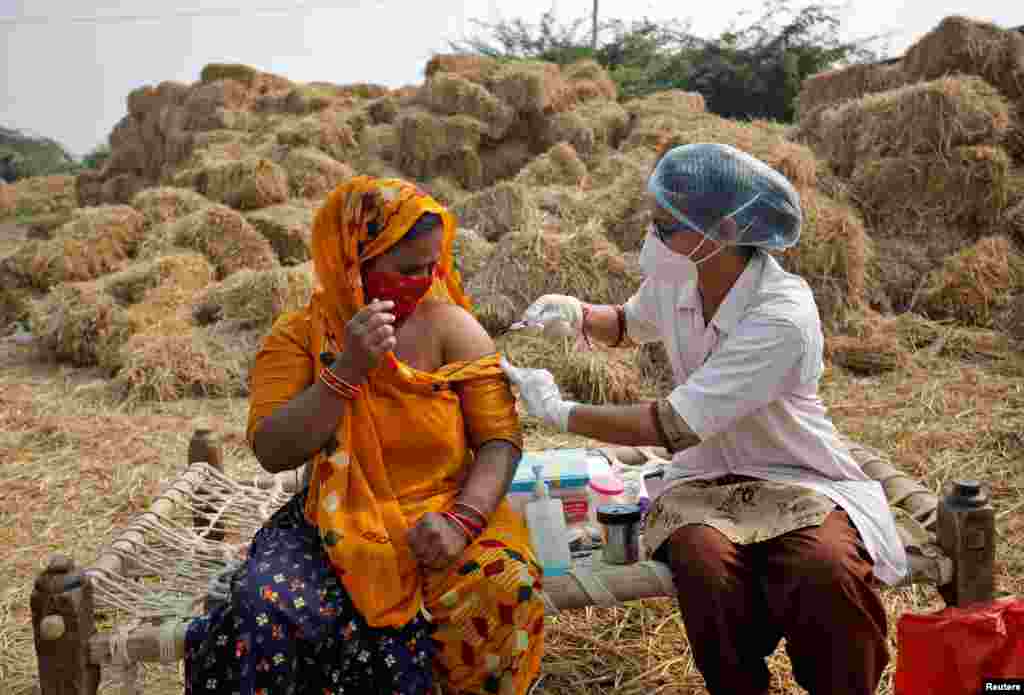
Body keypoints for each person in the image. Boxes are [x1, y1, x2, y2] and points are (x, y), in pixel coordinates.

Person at [500, 143, 907, 695]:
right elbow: (627, 323)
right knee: (702, 564)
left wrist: (559, 412)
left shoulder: (781, 315)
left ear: (720, 233)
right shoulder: (680, 277)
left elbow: (674, 425)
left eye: (666, 227)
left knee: (824, 569)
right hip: (703, 477)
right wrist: (577, 315)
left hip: (793, 473)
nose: (652, 238)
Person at [185, 176, 545, 695]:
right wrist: (346, 370)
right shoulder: (298, 337)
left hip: (444, 509)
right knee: (265, 608)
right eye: (406, 270)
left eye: (432, 266)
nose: (423, 281)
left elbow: (500, 441)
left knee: (506, 587)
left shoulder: (454, 329)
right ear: (355, 260)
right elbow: (271, 449)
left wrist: (461, 521)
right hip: (336, 519)